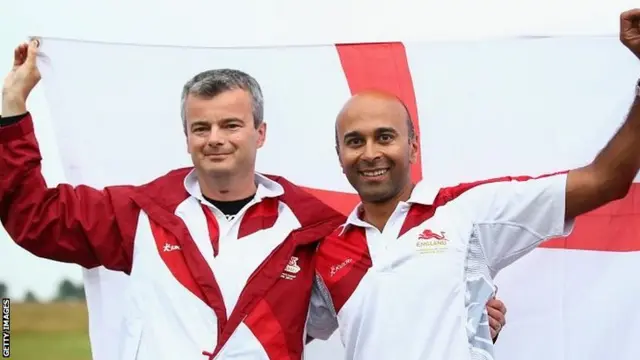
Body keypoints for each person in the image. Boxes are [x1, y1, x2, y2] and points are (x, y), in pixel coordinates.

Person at [0, 40, 507, 359]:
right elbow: (35, 218)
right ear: (186, 137)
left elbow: (388, 288)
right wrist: (12, 111)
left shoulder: (313, 230)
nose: (215, 138)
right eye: (201, 127)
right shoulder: (141, 214)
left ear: (260, 133)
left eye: (230, 125)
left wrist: (462, 309)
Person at [306, 8, 640, 360]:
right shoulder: (328, 251)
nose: (371, 153)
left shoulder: (467, 211)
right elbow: (276, 331)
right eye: (355, 141)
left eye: (385, 137)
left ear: (413, 146)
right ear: (339, 154)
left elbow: (604, 180)